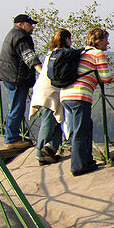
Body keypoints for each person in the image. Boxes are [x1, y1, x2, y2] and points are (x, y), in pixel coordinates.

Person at [60, 27, 114, 176]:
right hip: (80, 95)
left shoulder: (81, 52)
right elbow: (105, 77)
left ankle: (87, 161)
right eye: (105, 39)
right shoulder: (98, 54)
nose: (107, 43)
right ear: (98, 41)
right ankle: (78, 166)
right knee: (80, 131)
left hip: (65, 94)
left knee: (85, 127)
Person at [0, 13, 42, 146]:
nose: (32, 27)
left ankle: (13, 136)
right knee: (17, 108)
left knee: (15, 107)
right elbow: (29, 56)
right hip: (16, 77)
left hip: (8, 75)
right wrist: (42, 72)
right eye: (30, 24)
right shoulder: (21, 37)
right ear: (20, 24)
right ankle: (11, 140)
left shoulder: (12, 34)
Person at [31, 28, 71, 164]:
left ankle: (49, 149)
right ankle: (40, 154)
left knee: (56, 123)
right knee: (48, 123)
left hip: (43, 91)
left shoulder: (51, 53)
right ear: (66, 40)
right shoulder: (63, 54)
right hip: (50, 94)